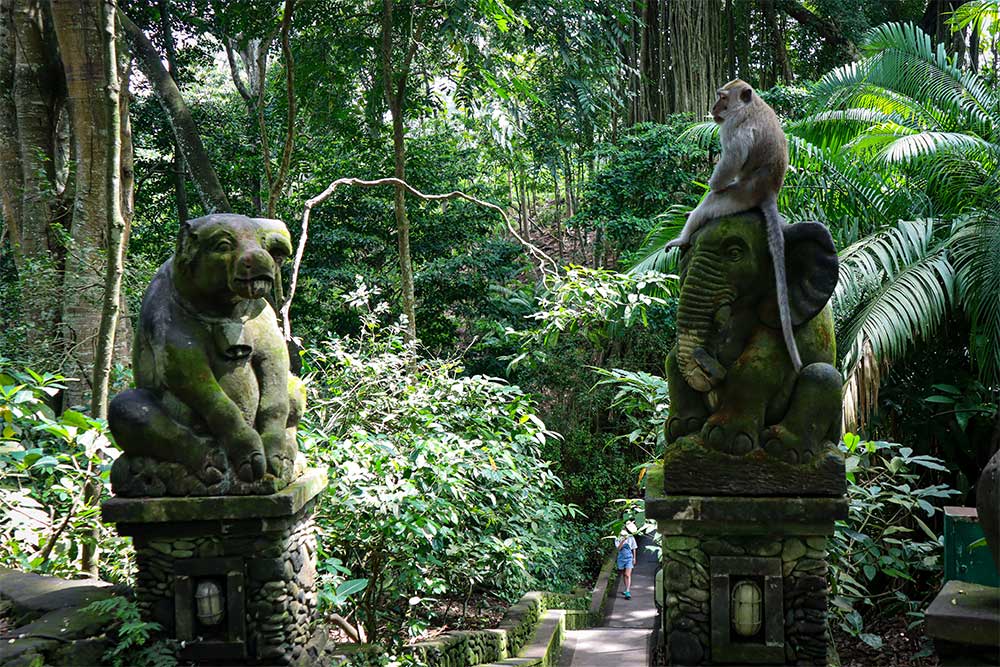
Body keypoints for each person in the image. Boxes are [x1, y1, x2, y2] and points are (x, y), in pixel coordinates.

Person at [615, 523, 638, 600]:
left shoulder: (631, 537)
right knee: (624, 574)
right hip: (621, 558)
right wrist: (623, 540)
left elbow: (634, 547)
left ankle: (628, 591)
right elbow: (618, 549)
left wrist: (634, 558)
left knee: (627, 574)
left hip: (629, 558)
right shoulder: (617, 537)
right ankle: (626, 589)